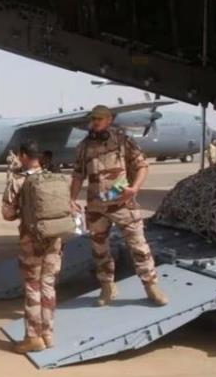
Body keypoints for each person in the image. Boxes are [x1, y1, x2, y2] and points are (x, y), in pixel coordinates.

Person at [70, 105, 168, 306]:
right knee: (99, 249)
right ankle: (107, 286)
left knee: (138, 246)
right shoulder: (83, 147)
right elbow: (78, 175)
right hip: (96, 206)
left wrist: (134, 188)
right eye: (93, 118)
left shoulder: (123, 141)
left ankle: (151, 286)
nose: (95, 122)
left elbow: (142, 166)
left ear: (108, 120)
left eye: (100, 118)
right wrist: (71, 199)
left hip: (123, 203)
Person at [2, 140, 61, 353]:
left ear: (24, 156)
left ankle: (33, 337)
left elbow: (7, 214)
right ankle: (48, 334)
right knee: (48, 286)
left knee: (33, 288)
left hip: (32, 240)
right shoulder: (53, 177)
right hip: (54, 239)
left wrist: (22, 211)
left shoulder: (18, 181)